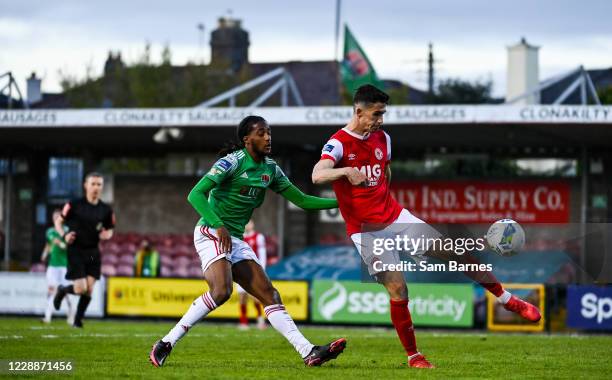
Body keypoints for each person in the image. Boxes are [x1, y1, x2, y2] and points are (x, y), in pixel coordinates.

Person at [311, 84, 541, 369]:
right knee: (399, 290)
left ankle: (507, 300)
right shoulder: (339, 143)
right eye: (376, 114)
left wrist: (385, 202)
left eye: (383, 114)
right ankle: (414, 357)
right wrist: (345, 170)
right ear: (359, 111)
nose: (380, 120)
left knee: (455, 252)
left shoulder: (383, 138)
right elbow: (317, 174)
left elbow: (386, 172)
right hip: (366, 230)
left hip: (396, 217)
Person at [149, 115, 346, 368]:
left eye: (269, 133)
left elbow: (303, 200)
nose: (268, 138)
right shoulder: (230, 163)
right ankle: (166, 343)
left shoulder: (271, 169)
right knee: (222, 291)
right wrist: (218, 224)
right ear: (247, 139)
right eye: (262, 133)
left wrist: (343, 203)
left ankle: (308, 351)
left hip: (235, 239)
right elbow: (195, 194)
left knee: (270, 294)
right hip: (211, 231)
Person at [53, 172, 115, 328]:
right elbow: (58, 222)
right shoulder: (74, 204)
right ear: (85, 185)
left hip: (93, 252)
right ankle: (62, 290)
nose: (96, 187)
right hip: (76, 251)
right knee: (81, 289)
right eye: (93, 184)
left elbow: (110, 229)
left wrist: (107, 234)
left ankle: (77, 321)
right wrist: (64, 235)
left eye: (99, 184)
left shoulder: (106, 210)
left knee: (89, 289)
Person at [41, 209, 75, 324]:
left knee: (65, 292)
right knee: (51, 289)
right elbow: (50, 243)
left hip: (63, 266)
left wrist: (63, 244)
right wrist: (45, 253)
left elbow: (69, 245)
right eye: (54, 217)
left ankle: (71, 312)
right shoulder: (50, 231)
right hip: (52, 266)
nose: (55, 219)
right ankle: (47, 316)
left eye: (57, 217)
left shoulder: (66, 231)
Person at [237, 219, 267, 330]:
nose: (247, 225)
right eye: (245, 223)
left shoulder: (258, 237)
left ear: (253, 224)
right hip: (240, 270)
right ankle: (243, 322)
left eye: (249, 223)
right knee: (242, 297)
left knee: (255, 297)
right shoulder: (239, 237)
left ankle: (260, 320)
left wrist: (261, 270)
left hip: (254, 271)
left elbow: (262, 255)